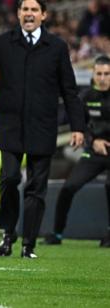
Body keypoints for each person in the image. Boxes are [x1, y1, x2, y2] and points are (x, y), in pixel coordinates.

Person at [0, 0, 85, 258]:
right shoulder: (4, 43)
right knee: (10, 179)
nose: (29, 14)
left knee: (36, 187)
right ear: (18, 14)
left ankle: (28, 244)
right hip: (10, 126)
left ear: (44, 15)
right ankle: (8, 233)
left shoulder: (56, 47)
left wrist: (78, 126)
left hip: (43, 126)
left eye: (34, 10)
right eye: (25, 9)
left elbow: (69, 90)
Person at [44, 55, 110, 247]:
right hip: (94, 151)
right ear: (94, 74)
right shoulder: (86, 97)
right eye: (99, 73)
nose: (103, 77)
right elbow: (79, 125)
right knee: (69, 187)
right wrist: (93, 140)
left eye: (107, 74)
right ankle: (56, 233)